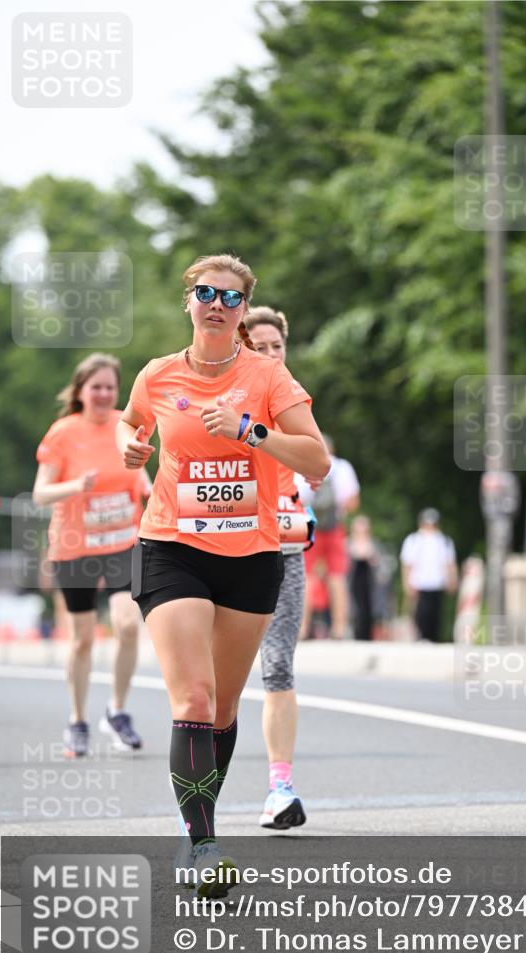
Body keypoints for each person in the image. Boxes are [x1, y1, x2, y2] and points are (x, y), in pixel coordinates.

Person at [117, 254, 329, 897]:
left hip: (251, 555)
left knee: (224, 710)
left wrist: (252, 431)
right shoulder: (158, 374)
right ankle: (205, 845)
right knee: (194, 700)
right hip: (171, 548)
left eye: (232, 298)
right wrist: (129, 445)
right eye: (207, 293)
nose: (218, 304)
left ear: (243, 312)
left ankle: (194, 827)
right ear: (189, 300)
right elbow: (130, 424)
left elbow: (316, 459)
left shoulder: (268, 376)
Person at [32, 354, 148, 758]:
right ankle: (78, 719)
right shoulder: (63, 433)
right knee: (82, 640)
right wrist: (75, 486)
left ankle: (117, 711)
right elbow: (40, 493)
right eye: (95, 387)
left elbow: (140, 473)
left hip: (122, 542)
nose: (103, 394)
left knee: (127, 625)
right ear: (80, 390)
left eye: (110, 387)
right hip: (75, 546)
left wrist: (150, 489)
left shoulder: (125, 425)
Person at [245, 306, 319, 830]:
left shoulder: (293, 401)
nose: (271, 354)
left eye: (278, 346)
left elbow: (316, 461)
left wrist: (305, 491)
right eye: (261, 346)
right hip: (226, 552)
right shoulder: (225, 399)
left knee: (277, 667)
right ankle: (199, 797)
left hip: (284, 552)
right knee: (216, 682)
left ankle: (280, 788)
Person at [297, 435, 360, 639]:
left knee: (307, 576)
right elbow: (353, 502)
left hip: (309, 526)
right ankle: (339, 627)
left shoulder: (303, 464)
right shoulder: (343, 468)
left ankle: (303, 627)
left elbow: (297, 499)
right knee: (337, 576)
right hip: (335, 527)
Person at [400, 508, 459, 642]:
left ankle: (434, 638)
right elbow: (407, 564)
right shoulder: (414, 540)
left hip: (438, 583)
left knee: (436, 614)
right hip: (419, 583)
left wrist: (453, 579)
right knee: (421, 613)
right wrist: (407, 583)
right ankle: (421, 637)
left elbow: (450, 563)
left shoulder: (444, 541)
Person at [348, 515, 379, 640]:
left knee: (368, 605)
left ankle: (367, 634)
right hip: (353, 578)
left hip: (368, 579)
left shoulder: (372, 542)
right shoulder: (348, 542)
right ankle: (356, 633)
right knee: (355, 606)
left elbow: (377, 562)